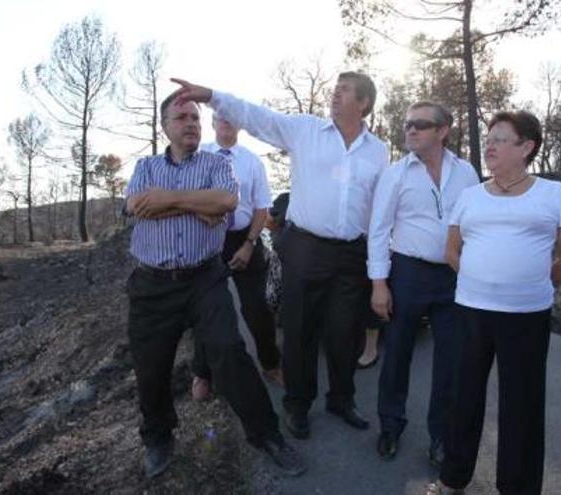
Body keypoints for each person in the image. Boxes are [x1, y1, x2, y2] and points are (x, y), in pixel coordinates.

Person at [171, 72, 389, 439]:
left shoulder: (377, 151)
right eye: (334, 89)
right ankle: (298, 405)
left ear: (364, 103)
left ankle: (341, 399)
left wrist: (378, 272)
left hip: (352, 255)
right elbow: (257, 116)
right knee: (300, 332)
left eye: (345, 90)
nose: (335, 94)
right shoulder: (305, 130)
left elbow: (380, 216)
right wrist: (211, 95)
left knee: (344, 334)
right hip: (305, 249)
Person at [123, 91, 305, 479]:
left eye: (194, 117)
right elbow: (136, 205)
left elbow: (225, 201)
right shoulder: (144, 167)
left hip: (204, 278)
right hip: (152, 285)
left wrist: (168, 201)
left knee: (230, 352)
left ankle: (267, 435)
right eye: (181, 117)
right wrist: (195, 204)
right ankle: (158, 436)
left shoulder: (216, 164)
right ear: (165, 126)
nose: (191, 122)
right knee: (151, 367)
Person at [431, 111, 561, 495]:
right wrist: (481, 280)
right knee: (463, 396)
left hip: (526, 316)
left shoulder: (554, 194)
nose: (491, 145)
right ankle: (453, 479)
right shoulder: (470, 196)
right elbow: (451, 250)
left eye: (501, 139)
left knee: (523, 405)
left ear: (526, 147)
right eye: (490, 138)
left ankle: (517, 488)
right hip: (470, 311)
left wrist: (527, 283)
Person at [367, 101, 479, 464]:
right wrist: (379, 284)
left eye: (420, 125)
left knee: (451, 360)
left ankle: (441, 436)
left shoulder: (466, 173)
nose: (410, 130)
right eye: (407, 125)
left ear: (442, 131)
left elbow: (474, 225)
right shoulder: (396, 174)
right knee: (397, 352)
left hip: (452, 277)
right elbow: (379, 230)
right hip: (408, 272)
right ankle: (390, 425)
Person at [189, 113, 283, 402]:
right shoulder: (199, 154)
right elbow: (186, 196)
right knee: (206, 308)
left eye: (231, 118)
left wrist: (249, 243)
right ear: (213, 123)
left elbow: (261, 207)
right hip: (206, 238)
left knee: (257, 307)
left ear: (240, 124)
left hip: (244, 239)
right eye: (220, 118)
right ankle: (203, 372)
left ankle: (271, 364)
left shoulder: (252, 161)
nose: (226, 122)